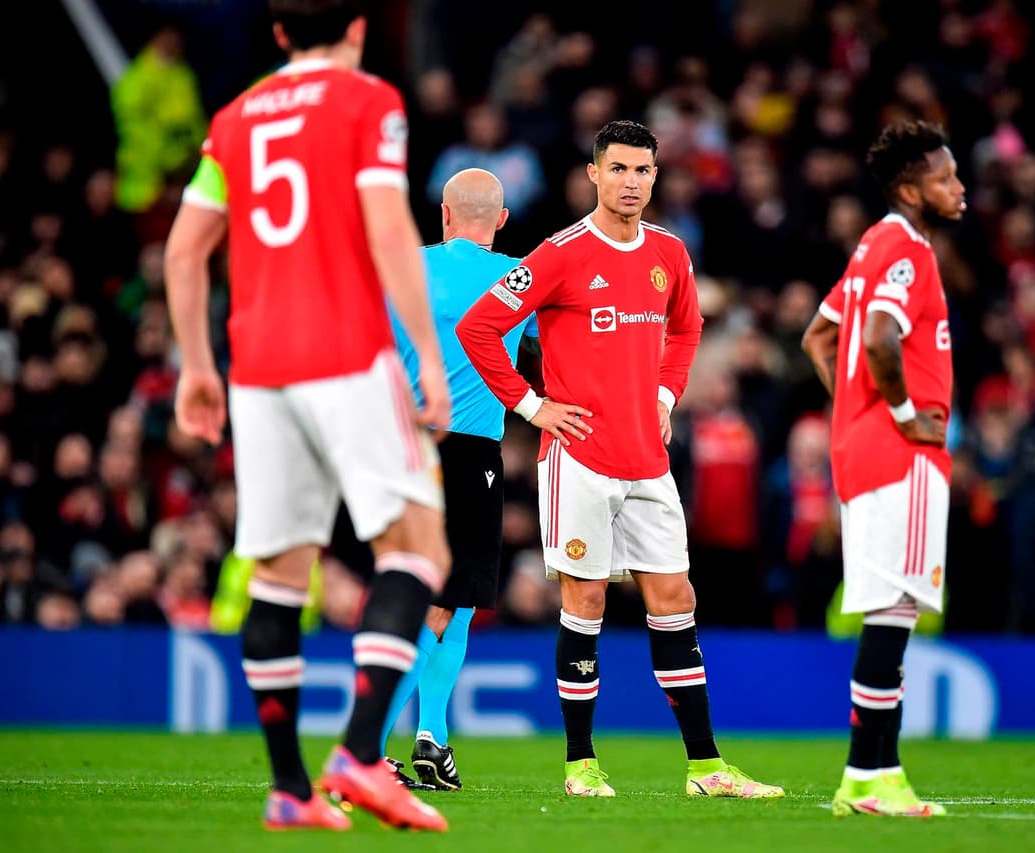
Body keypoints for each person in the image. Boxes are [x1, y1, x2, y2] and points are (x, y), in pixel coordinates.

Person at [164, 0, 450, 832]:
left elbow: (184, 250)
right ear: (357, 28)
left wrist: (194, 364)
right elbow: (390, 229)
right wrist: (427, 355)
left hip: (257, 370)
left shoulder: (234, 119)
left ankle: (289, 789)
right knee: (418, 546)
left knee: (281, 574)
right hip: (348, 355)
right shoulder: (369, 102)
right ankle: (361, 754)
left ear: (280, 34)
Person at [456, 119, 782, 800]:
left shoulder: (670, 251)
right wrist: (530, 406)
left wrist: (666, 391)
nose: (631, 182)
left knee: (676, 600)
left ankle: (706, 767)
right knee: (585, 600)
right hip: (578, 458)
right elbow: (479, 326)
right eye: (620, 169)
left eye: (643, 170)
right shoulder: (561, 253)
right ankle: (580, 764)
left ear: (656, 177)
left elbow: (688, 327)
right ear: (593, 174)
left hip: (647, 460)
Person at [801, 119, 966, 818]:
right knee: (896, 613)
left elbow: (820, 334)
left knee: (885, 610)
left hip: (860, 454)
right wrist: (899, 416)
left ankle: (871, 777)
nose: (958, 187)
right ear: (910, 187)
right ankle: (873, 775)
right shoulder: (908, 250)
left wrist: (856, 413)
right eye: (944, 177)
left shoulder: (871, 243)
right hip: (904, 455)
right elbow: (875, 338)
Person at [379, 167, 539, 790]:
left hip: (405, 445)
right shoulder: (516, 277)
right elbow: (541, 352)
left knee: (444, 597)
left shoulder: (405, 267)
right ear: (501, 219)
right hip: (472, 451)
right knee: (447, 603)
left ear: (443, 213)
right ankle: (370, 747)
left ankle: (433, 739)